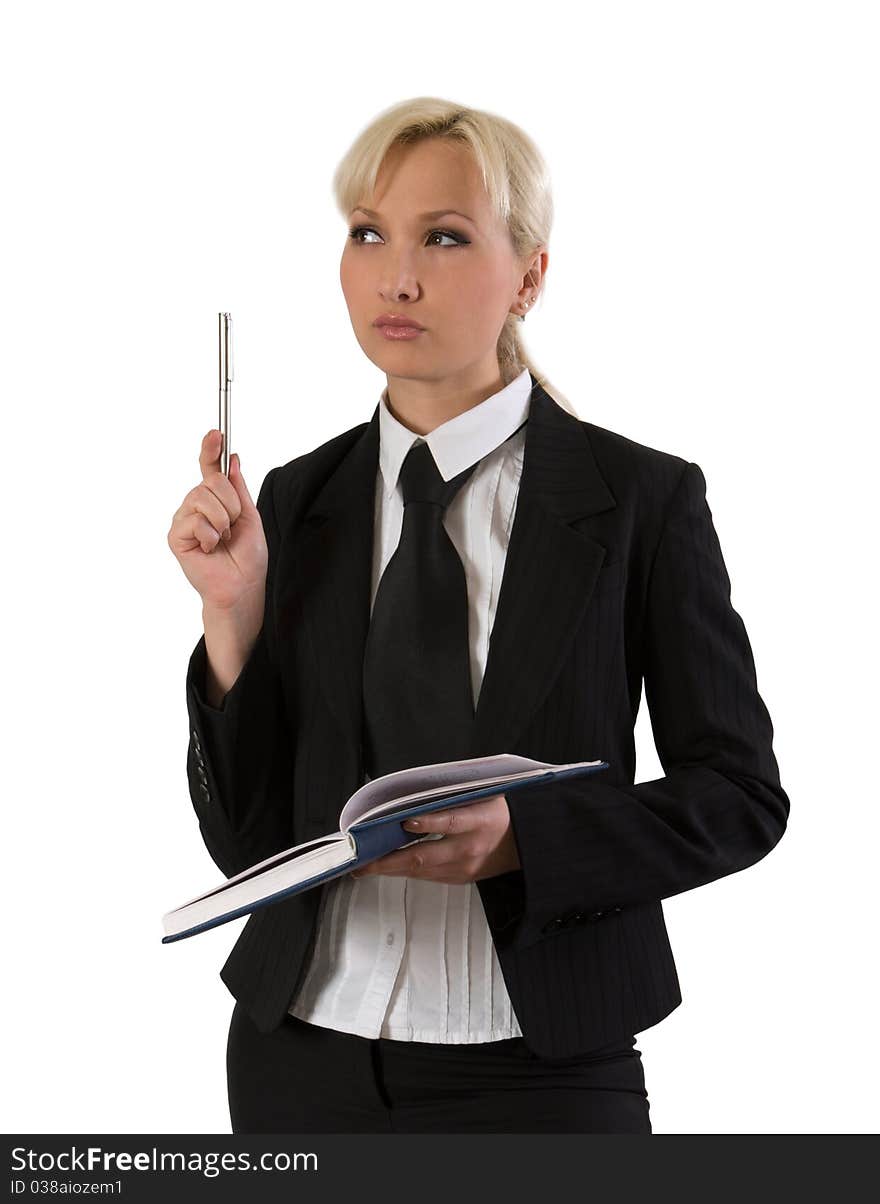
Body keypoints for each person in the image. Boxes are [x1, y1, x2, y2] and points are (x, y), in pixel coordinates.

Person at [167, 97, 790, 1134]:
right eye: (367, 234)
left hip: (539, 1071)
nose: (394, 277)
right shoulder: (294, 502)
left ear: (531, 276)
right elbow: (246, 844)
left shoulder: (639, 501)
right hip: (298, 1065)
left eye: (443, 238)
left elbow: (739, 796)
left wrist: (528, 842)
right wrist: (229, 624)